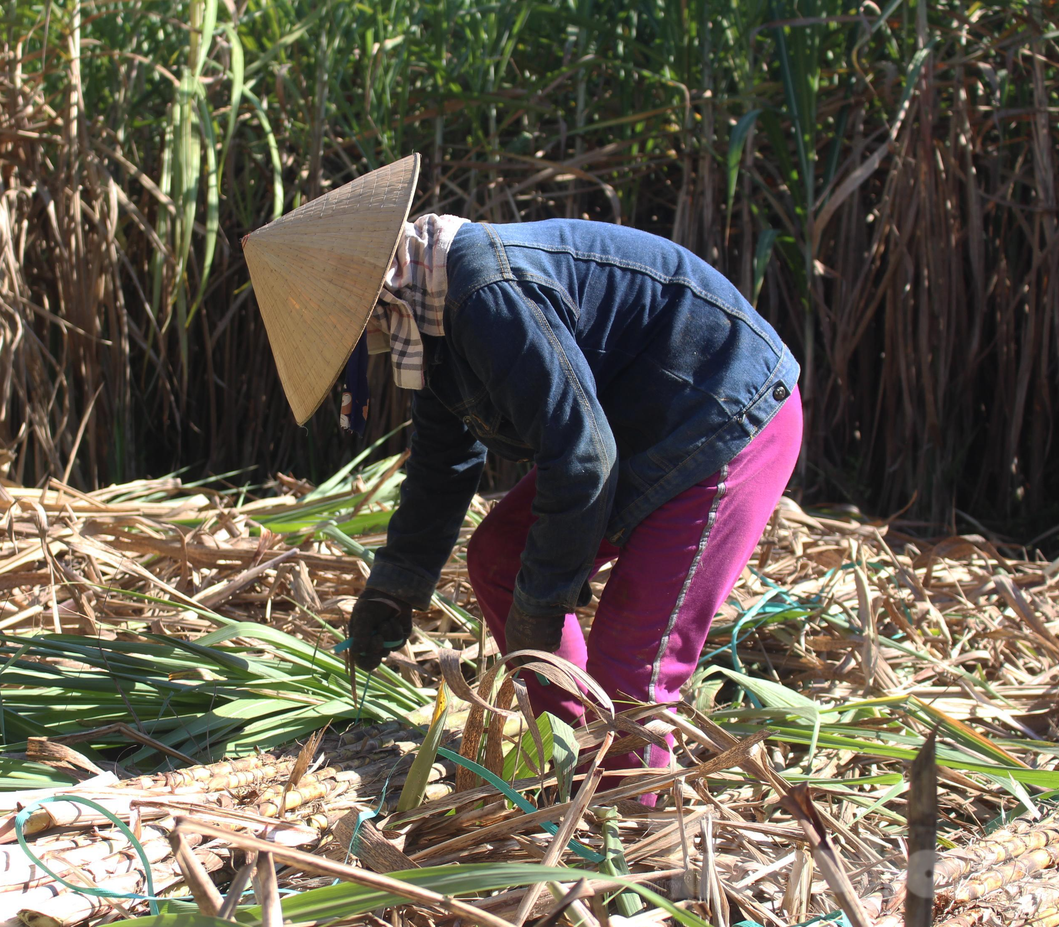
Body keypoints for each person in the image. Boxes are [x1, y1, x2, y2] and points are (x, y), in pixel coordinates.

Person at [243, 153, 802, 783]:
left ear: (368, 288)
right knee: (501, 560)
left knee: (634, 665)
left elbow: (583, 456)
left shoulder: (484, 293)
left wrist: (545, 597)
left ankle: (631, 838)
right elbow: (444, 459)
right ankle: (575, 751)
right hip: (636, 428)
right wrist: (395, 584)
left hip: (726, 415)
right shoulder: (427, 307)